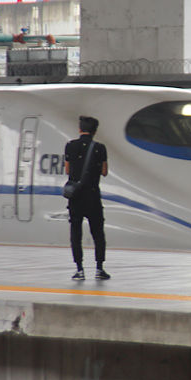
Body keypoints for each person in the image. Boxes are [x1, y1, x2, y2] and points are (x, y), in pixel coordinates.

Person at [64, 116, 110, 281]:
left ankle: (79, 270)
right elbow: (104, 172)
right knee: (98, 233)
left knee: (76, 233)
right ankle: (99, 269)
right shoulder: (100, 148)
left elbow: (67, 170)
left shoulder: (70, 146)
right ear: (95, 131)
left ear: (80, 129)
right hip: (92, 196)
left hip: (75, 197)